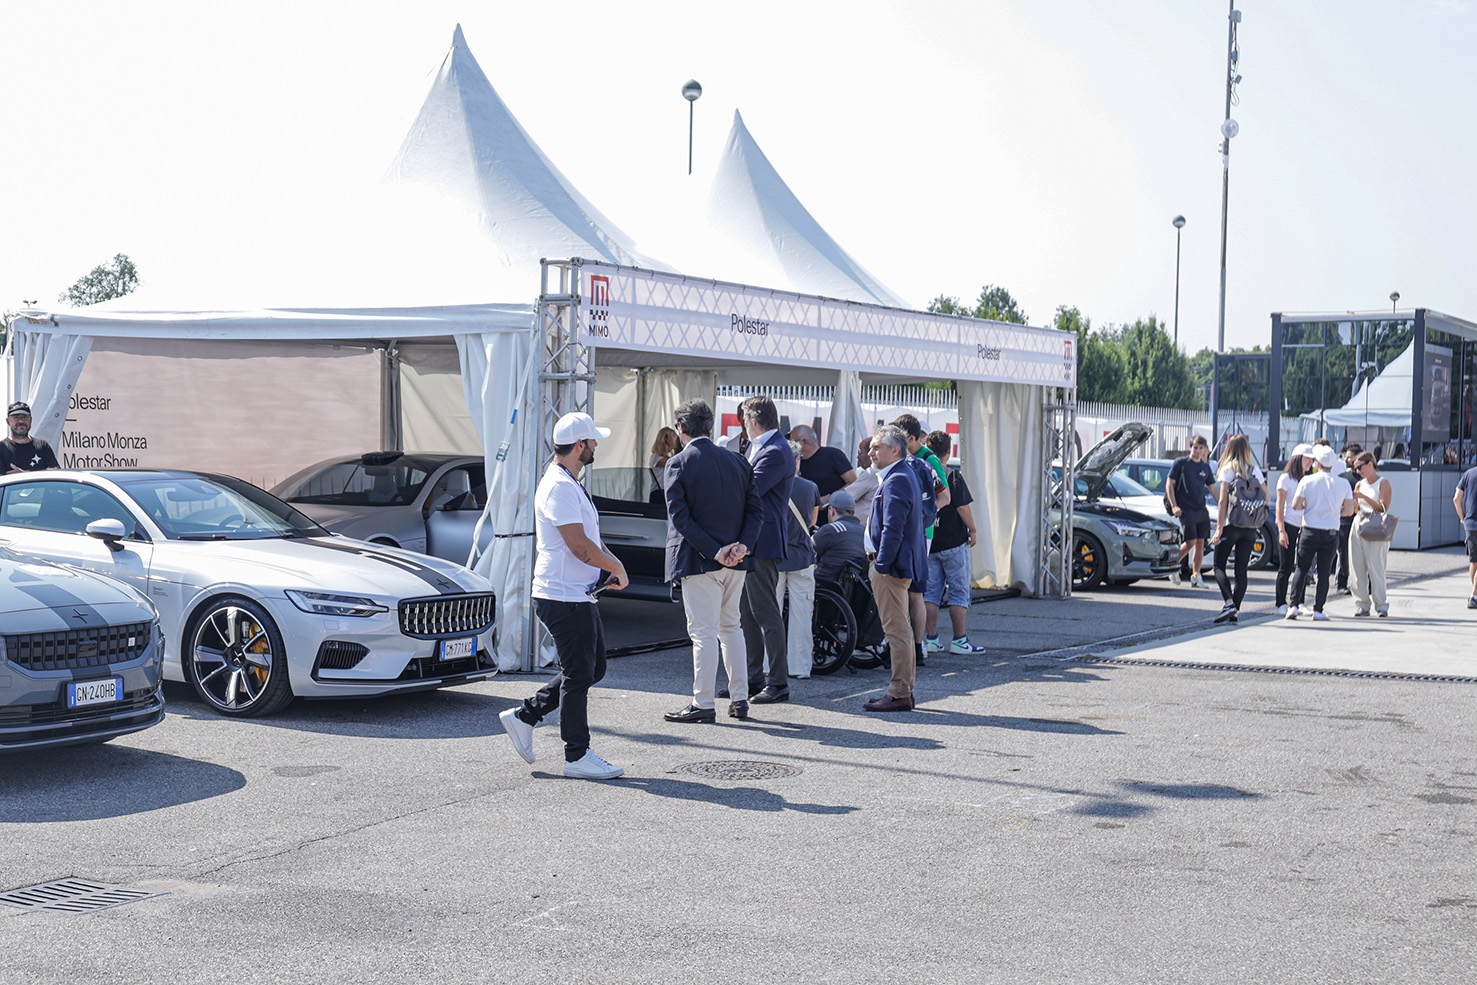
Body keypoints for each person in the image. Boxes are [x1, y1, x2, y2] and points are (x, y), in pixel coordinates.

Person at [499, 412, 627, 780]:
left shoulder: (568, 482)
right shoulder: (559, 486)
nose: (596, 446)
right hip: (562, 595)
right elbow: (579, 547)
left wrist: (611, 565)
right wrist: (615, 567)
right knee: (579, 673)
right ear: (580, 445)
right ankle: (576, 755)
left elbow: (588, 541)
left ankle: (525, 715)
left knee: (592, 669)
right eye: (592, 440)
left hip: (575, 594)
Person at [660, 399, 763, 724]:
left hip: (699, 560)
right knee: (731, 627)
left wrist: (716, 551)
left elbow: (680, 518)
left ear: (681, 428)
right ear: (710, 425)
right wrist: (741, 547)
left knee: (703, 633)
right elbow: (756, 511)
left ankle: (703, 702)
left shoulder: (678, 463)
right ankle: (740, 698)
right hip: (736, 561)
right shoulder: (738, 461)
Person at [863, 425, 926, 712]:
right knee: (900, 630)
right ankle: (903, 690)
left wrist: (882, 565)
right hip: (892, 565)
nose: (871, 452)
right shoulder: (899, 475)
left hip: (889, 568)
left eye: (877, 447)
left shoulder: (898, 478)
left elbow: (893, 528)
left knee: (896, 631)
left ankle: (899, 692)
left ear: (895, 450)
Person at [739, 395, 797, 704]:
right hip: (753, 540)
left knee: (765, 613)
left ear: (753, 420)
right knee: (747, 614)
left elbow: (750, 489)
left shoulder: (774, 450)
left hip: (763, 542)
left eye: (744, 420)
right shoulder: (763, 447)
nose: (743, 426)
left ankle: (778, 682)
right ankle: (753, 679)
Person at [921, 430, 985, 655]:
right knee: (959, 593)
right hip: (954, 543)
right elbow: (962, 507)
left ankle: (931, 639)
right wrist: (973, 530)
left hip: (930, 542)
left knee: (930, 594)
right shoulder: (951, 475)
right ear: (948, 451)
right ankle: (959, 640)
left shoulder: (922, 472)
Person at [890, 415, 945, 668]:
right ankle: (913, 646)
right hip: (917, 535)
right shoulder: (919, 464)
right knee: (913, 591)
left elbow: (944, 497)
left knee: (908, 591)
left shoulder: (925, 461)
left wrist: (922, 517)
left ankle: (911, 646)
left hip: (917, 535)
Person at [1285, 445, 1356, 622]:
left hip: (1309, 530)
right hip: (1331, 531)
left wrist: (1309, 506)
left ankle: (1293, 606)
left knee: (1301, 568)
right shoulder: (1343, 483)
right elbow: (1349, 511)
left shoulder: (1307, 481)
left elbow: (1296, 505)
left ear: (1317, 463)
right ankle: (1318, 610)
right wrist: (1333, 511)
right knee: (1324, 572)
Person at [1209, 434, 1269, 624]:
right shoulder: (1254, 470)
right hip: (1250, 526)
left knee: (1218, 565)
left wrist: (1219, 528)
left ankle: (1229, 602)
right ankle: (1235, 610)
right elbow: (1266, 497)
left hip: (1231, 525)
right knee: (1241, 570)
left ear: (1229, 449)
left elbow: (1222, 501)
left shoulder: (1227, 469)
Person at [777, 440, 821, 678]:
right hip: (802, 556)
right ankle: (800, 667)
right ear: (796, 462)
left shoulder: (770, 485)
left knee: (770, 613)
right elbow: (812, 522)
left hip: (774, 557)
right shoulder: (810, 487)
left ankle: (768, 666)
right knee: (802, 615)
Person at [1166, 435, 1217, 588]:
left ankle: (1196, 576)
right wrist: (1174, 505)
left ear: (1205, 450)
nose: (1197, 451)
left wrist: (1224, 504)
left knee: (1201, 543)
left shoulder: (1205, 467)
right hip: (1185, 509)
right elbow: (1169, 484)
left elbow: (1213, 488)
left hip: (1201, 509)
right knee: (1190, 542)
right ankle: (1172, 566)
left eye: (1201, 448)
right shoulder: (1181, 463)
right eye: (1195, 447)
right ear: (1190, 447)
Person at [1348, 451, 1394, 618]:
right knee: (1356, 567)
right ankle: (1362, 604)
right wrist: (1355, 500)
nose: (1358, 471)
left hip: (1375, 524)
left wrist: (1362, 496)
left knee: (1376, 566)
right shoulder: (1359, 484)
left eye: (1360, 467)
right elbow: (1356, 509)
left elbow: (1383, 507)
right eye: (1355, 468)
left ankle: (1381, 605)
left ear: (1370, 464)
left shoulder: (1383, 483)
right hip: (1359, 523)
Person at [1274, 444, 1315, 615]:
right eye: (1307, 459)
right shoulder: (1285, 478)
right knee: (1286, 565)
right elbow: (1279, 505)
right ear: (1298, 459)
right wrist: (1281, 530)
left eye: (1312, 460)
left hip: (1306, 525)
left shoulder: (1310, 478)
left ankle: (1299, 602)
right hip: (1289, 524)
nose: (1310, 463)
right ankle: (1280, 603)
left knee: (1303, 566)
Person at [813, 489, 867, 584]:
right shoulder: (864, 531)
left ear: (832, 510)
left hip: (826, 583)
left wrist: (819, 534)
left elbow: (808, 548)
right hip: (854, 586)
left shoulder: (830, 529)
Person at [790, 424, 856, 500]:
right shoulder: (797, 462)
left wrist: (829, 498)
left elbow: (853, 483)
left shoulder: (833, 455)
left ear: (804, 442)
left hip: (833, 506)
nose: (791, 446)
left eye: (793, 443)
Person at [1334, 443, 1362, 595]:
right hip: (1344, 521)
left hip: (1361, 520)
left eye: (1349, 457)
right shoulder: (1342, 478)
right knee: (1343, 553)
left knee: (1361, 553)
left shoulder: (1365, 479)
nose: (1346, 459)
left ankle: (1362, 583)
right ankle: (1341, 582)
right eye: (1345, 456)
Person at [1, 402, 61, 473]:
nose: (21, 421)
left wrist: (23, 474)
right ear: (8, 421)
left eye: (25, 417)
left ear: (30, 420)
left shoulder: (42, 446)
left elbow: (56, 473)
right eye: (16, 417)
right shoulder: (2, 448)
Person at [840, 435, 880, 527]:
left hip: (861, 528)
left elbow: (844, 497)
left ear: (870, 453)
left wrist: (827, 499)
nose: (858, 457)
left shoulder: (871, 473)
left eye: (860, 452)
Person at [1454, 463, 1477, 609]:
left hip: (1470, 524)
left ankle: (1475, 592)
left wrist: (1463, 518)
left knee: (1474, 561)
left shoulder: (1468, 474)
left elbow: (1456, 499)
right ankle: (1474, 595)